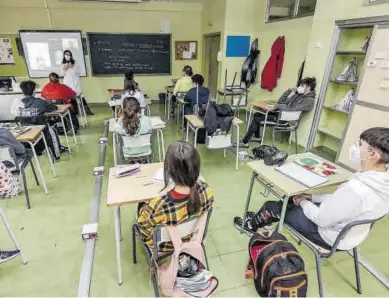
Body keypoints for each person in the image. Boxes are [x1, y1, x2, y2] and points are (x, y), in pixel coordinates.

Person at [234, 127, 389, 251]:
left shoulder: (357, 190)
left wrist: (302, 201)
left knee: (274, 206)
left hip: (328, 236)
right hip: (351, 235)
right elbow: (340, 202)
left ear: (373, 155)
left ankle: (250, 226)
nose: (355, 148)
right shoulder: (381, 181)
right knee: (290, 200)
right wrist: (311, 198)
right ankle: (264, 217)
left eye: (360, 145)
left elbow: (321, 219)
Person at [137, 140, 214, 252]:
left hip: (163, 245)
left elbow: (144, 231)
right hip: (192, 238)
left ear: (169, 170)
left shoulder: (159, 204)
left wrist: (145, 208)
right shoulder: (206, 190)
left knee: (141, 206)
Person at [235, 77, 316, 148]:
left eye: (302, 85)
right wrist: (289, 90)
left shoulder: (309, 101)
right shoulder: (298, 95)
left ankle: (245, 142)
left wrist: (276, 107)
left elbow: (291, 109)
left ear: (308, 87)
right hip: (281, 114)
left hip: (285, 120)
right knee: (257, 114)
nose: (300, 87)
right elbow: (281, 101)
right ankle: (257, 137)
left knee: (257, 119)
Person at [62, 50, 94, 115]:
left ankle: (87, 110)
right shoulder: (62, 63)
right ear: (64, 55)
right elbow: (61, 74)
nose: (67, 56)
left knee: (80, 95)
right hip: (67, 83)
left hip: (76, 82)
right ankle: (75, 110)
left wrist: (73, 67)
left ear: (71, 55)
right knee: (71, 96)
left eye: (68, 54)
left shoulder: (75, 62)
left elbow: (78, 72)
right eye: (66, 54)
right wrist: (65, 69)